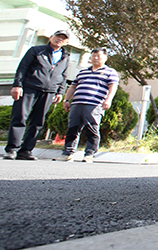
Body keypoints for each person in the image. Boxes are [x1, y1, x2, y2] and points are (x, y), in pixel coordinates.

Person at [4, 29, 72, 161]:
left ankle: (26, 150)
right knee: (20, 118)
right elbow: (22, 68)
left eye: (63, 38)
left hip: (49, 91)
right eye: (58, 36)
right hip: (29, 88)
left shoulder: (65, 56)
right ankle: (12, 149)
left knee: (38, 122)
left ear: (66, 42)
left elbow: (64, 75)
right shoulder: (36, 50)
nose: (60, 40)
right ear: (51, 37)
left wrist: (60, 92)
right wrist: (17, 85)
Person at [55, 48, 119, 163]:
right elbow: (73, 86)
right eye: (93, 56)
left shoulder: (110, 72)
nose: (95, 58)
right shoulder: (83, 72)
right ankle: (67, 153)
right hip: (77, 103)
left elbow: (113, 87)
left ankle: (89, 154)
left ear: (105, 58)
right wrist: (67, 99)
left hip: (94, 104)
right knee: (72, 129)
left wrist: (108, 100)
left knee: (92, 129)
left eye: (98, 56)